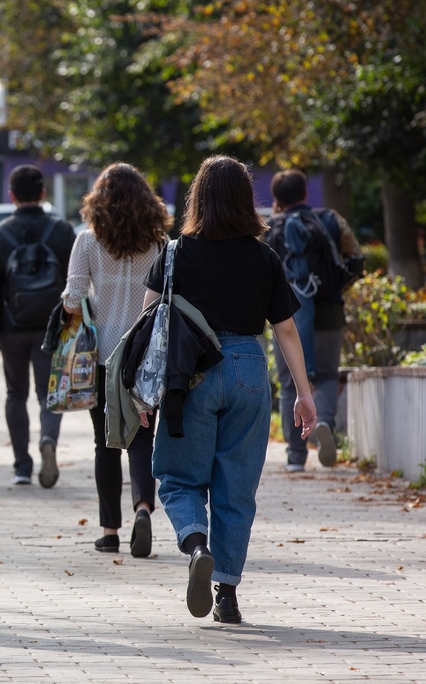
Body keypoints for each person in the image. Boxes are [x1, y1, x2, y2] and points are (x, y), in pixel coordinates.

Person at [143, 156, 315, 625]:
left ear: (198, 196)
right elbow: (286, 331)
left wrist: (142, 395)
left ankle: (196, 544)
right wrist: (303, 394)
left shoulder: (177, 252)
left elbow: (151, 326)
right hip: (248, 369)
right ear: (245, 198)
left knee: (178, 477)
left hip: (190, 374)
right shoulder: (264, 257)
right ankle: (228, 595)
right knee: (236, 489)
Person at [61, 164, 172, 556]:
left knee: (104, 442)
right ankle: (143, 507)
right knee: (143, 438)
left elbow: (72, 300)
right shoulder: (160, 244)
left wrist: (88, 305)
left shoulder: (87, 242)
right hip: (145, 359)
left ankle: (109, 531)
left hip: (102, 357)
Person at [0, 165, 76, 488]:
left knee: (15, 394)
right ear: (43, 193)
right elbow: (76, 282)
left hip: (12, 328)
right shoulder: (62, 231)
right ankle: (48, 438)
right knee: (50, 395)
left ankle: (22, 466)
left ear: (11, 195)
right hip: (53, 327)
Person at [263, 169, 362, 471]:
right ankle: (326, 427)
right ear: (306, 193)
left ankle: (295, 457)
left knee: (290, 381)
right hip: (328, 310)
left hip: (287, 317)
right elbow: (357, 259)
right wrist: (335, 288)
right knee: (328, 376)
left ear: (276, 198)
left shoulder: (267, 228)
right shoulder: (331, 219)